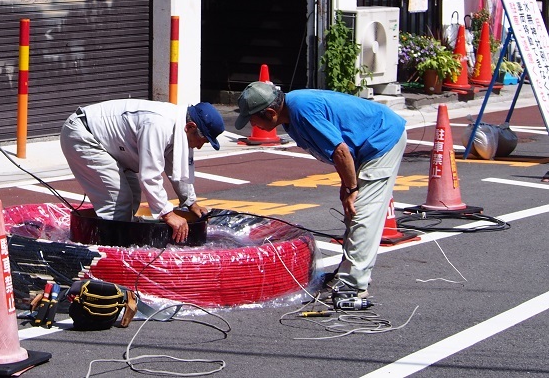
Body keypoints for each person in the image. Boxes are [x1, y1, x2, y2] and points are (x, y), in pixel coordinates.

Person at [235, 82, 407, 300]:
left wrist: (352, 188)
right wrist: (347, 184)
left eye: (253, 118)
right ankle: (348, 275)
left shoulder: (302, 111)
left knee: (362, 212)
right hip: (365, 145)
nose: (252, 124)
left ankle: (352, 285)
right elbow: (340, 149)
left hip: (381, 140)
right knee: (353, 211)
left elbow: (340, 150)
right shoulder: (290, 115)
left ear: (270, 112)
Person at [60, 99, 225, 243]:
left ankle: (118, 239)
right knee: (117, 201)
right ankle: (108, 255)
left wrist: (190, 202)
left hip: (106, 143)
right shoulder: (158, 124)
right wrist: (167, 214)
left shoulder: (179, 127)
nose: (199, 146)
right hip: (83, 135)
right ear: (190, 126)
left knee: (132, 194)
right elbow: (150, 175)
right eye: (202, 140)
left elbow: (176, 165)